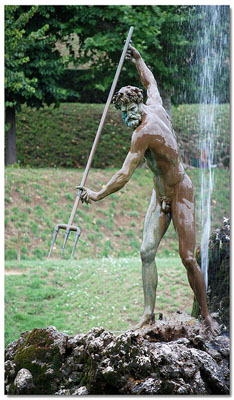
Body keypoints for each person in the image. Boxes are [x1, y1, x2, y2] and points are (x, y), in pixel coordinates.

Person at [78, 45, 219, 334]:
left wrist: (96, 194)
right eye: (122, 111)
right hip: (159, 195)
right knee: (146, 252)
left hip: (180, 192)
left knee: (187, 257)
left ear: (139, 106)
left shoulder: (143, 134)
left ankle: (206, 315)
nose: (127, 116)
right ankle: (147, 315)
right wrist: (139, 60)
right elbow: (150, 81)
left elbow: (123, 175)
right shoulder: (153, 102)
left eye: (129, 110)